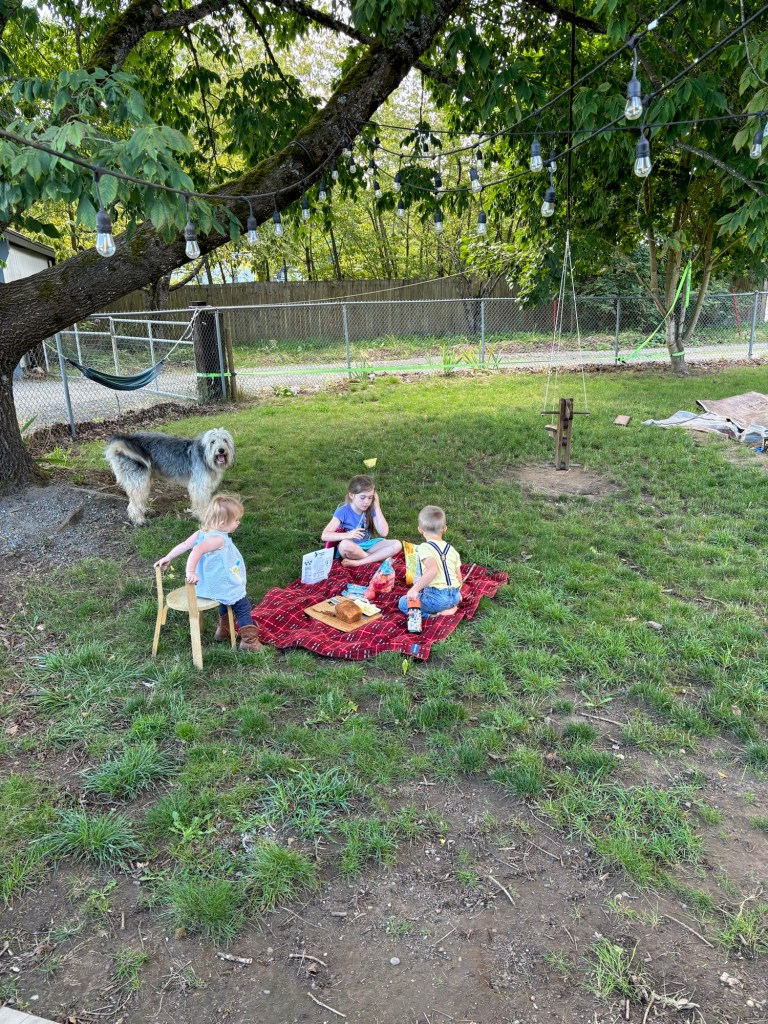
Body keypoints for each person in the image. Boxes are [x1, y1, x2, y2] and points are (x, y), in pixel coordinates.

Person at [154, 493, 262, 651]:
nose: (239, 523)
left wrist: (168, 556)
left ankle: (223, 631)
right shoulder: (218, 539)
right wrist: (190, 571)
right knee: (242, 604)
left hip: (206, 585)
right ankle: (249, 642)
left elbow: (184, 544)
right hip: (221, 583)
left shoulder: (201, 533)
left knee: (226, 600)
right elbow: (197, 550)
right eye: (236, 520)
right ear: (223, 523)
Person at [321, 474, 402, 568]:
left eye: (370, 497)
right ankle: (377, 558)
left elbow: (384, 532)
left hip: (368, 545)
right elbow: (325, 535)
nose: (366, 502)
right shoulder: (343, 511)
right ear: (351, 495)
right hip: (352, 548)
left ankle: (359, 562)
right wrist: (348, 535)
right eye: (362, 497)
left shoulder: (370, 508)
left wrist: (377, 506)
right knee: (345, 545)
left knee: (397, 544)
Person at [398, 505, 463, 618]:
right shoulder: (452, 550)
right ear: (444, 528)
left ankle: (433, 616)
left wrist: (414, 590)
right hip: (456, 596)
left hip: (437, 598)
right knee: (445, 600)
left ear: (420, 529)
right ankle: (452, 607)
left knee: (403, 602)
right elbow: (459, 579)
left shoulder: (424, 547)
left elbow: (433, 570)